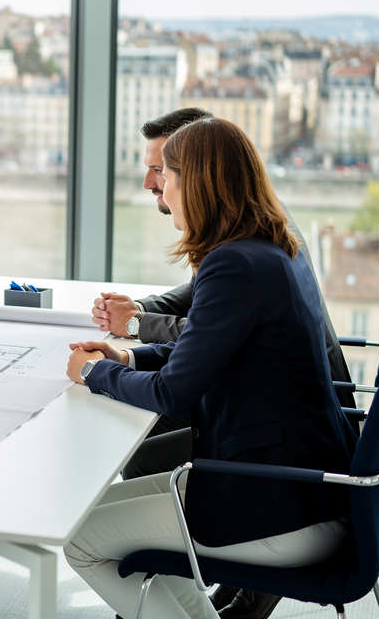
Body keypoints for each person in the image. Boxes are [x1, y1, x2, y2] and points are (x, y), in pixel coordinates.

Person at [63, 117, 357, 619]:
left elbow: (171, 394)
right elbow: (205, 350)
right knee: (90, 512)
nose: (162, 190)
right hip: (307, 487)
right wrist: (124, 356)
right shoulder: (270, 246)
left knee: (80, 542)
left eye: (167, 176)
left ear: (196, 183)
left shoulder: (233, 264)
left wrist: (93, 374)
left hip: (280, 506)